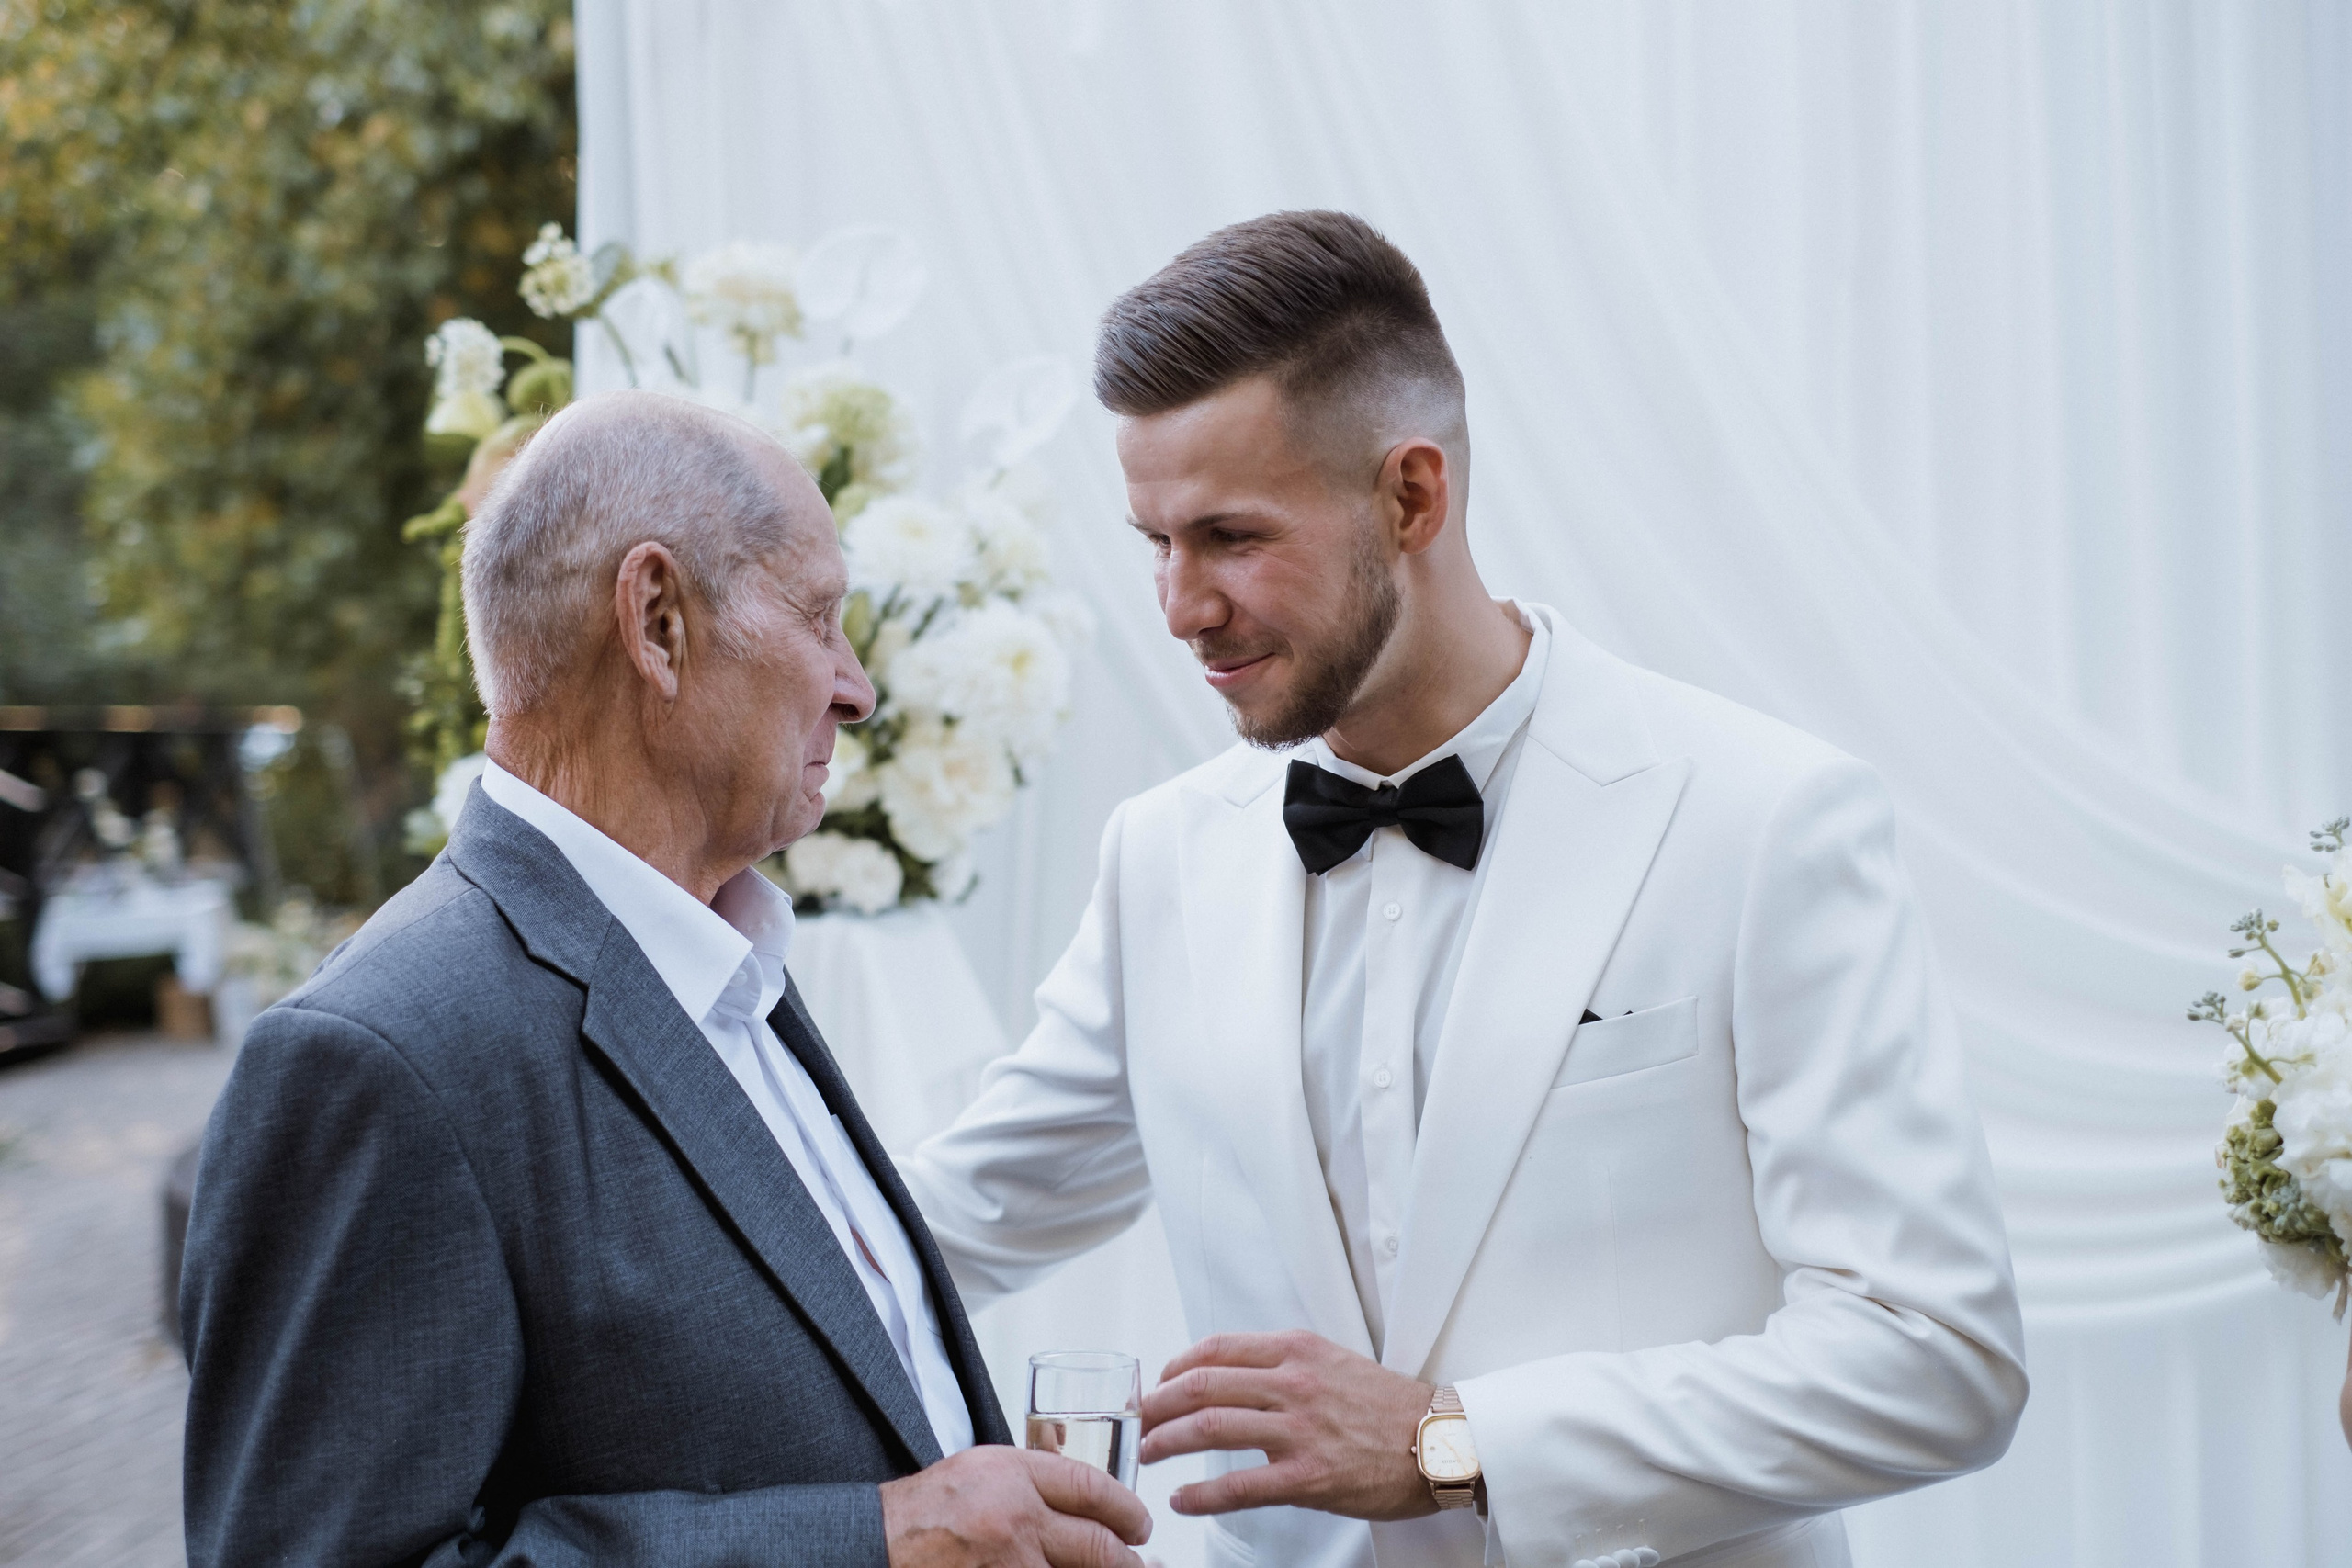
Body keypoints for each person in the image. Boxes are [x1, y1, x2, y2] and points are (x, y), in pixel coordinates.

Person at [904, 212, 2029, 1568]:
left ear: (1413, 496)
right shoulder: (1161, 857)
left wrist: (1462, 1437)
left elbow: (1936, 1354)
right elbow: (939, 1227)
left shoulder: (1763, 817)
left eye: (1230, 537)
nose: (1180, 605)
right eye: (1154, 540)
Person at [178, 392, 1153, 1568]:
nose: (857, 687)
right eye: (819, 616)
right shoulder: (376, 1057)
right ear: (657, 622)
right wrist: (873, 1543)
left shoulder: (728, 963)